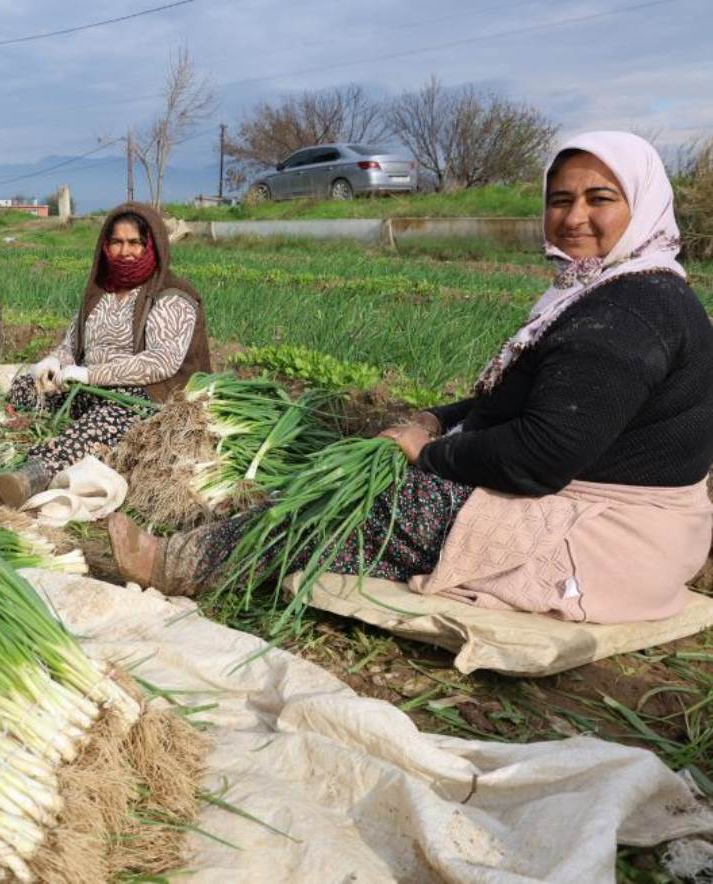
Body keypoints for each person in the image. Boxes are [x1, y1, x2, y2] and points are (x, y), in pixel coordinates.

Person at [111, 131, 713, 624]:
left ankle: (188, 563)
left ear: (642, 206)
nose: (574, 217)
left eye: (599, 199)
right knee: (359, 471)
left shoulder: (633, 312)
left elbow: (542, 453)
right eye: (560, 200)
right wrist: (435, 420)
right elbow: (515, 402)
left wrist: (428, 454)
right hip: (581, 496)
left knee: (374, 502)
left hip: (611, 537)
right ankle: (221, 542)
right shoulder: (597, 293)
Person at [0, 202, 211, 508]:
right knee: (26, 386)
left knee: (108, 418)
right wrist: (56, 362)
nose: (125, 251)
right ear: (105, 246)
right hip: (92, 389)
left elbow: (161, 362)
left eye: (135, 242)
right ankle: (76, 428)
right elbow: (72, 344)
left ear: (153, 245)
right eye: (116, 242)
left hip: (146, 397)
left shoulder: (172, 295)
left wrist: (93, 374)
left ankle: (34, 474)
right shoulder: (100, 293)